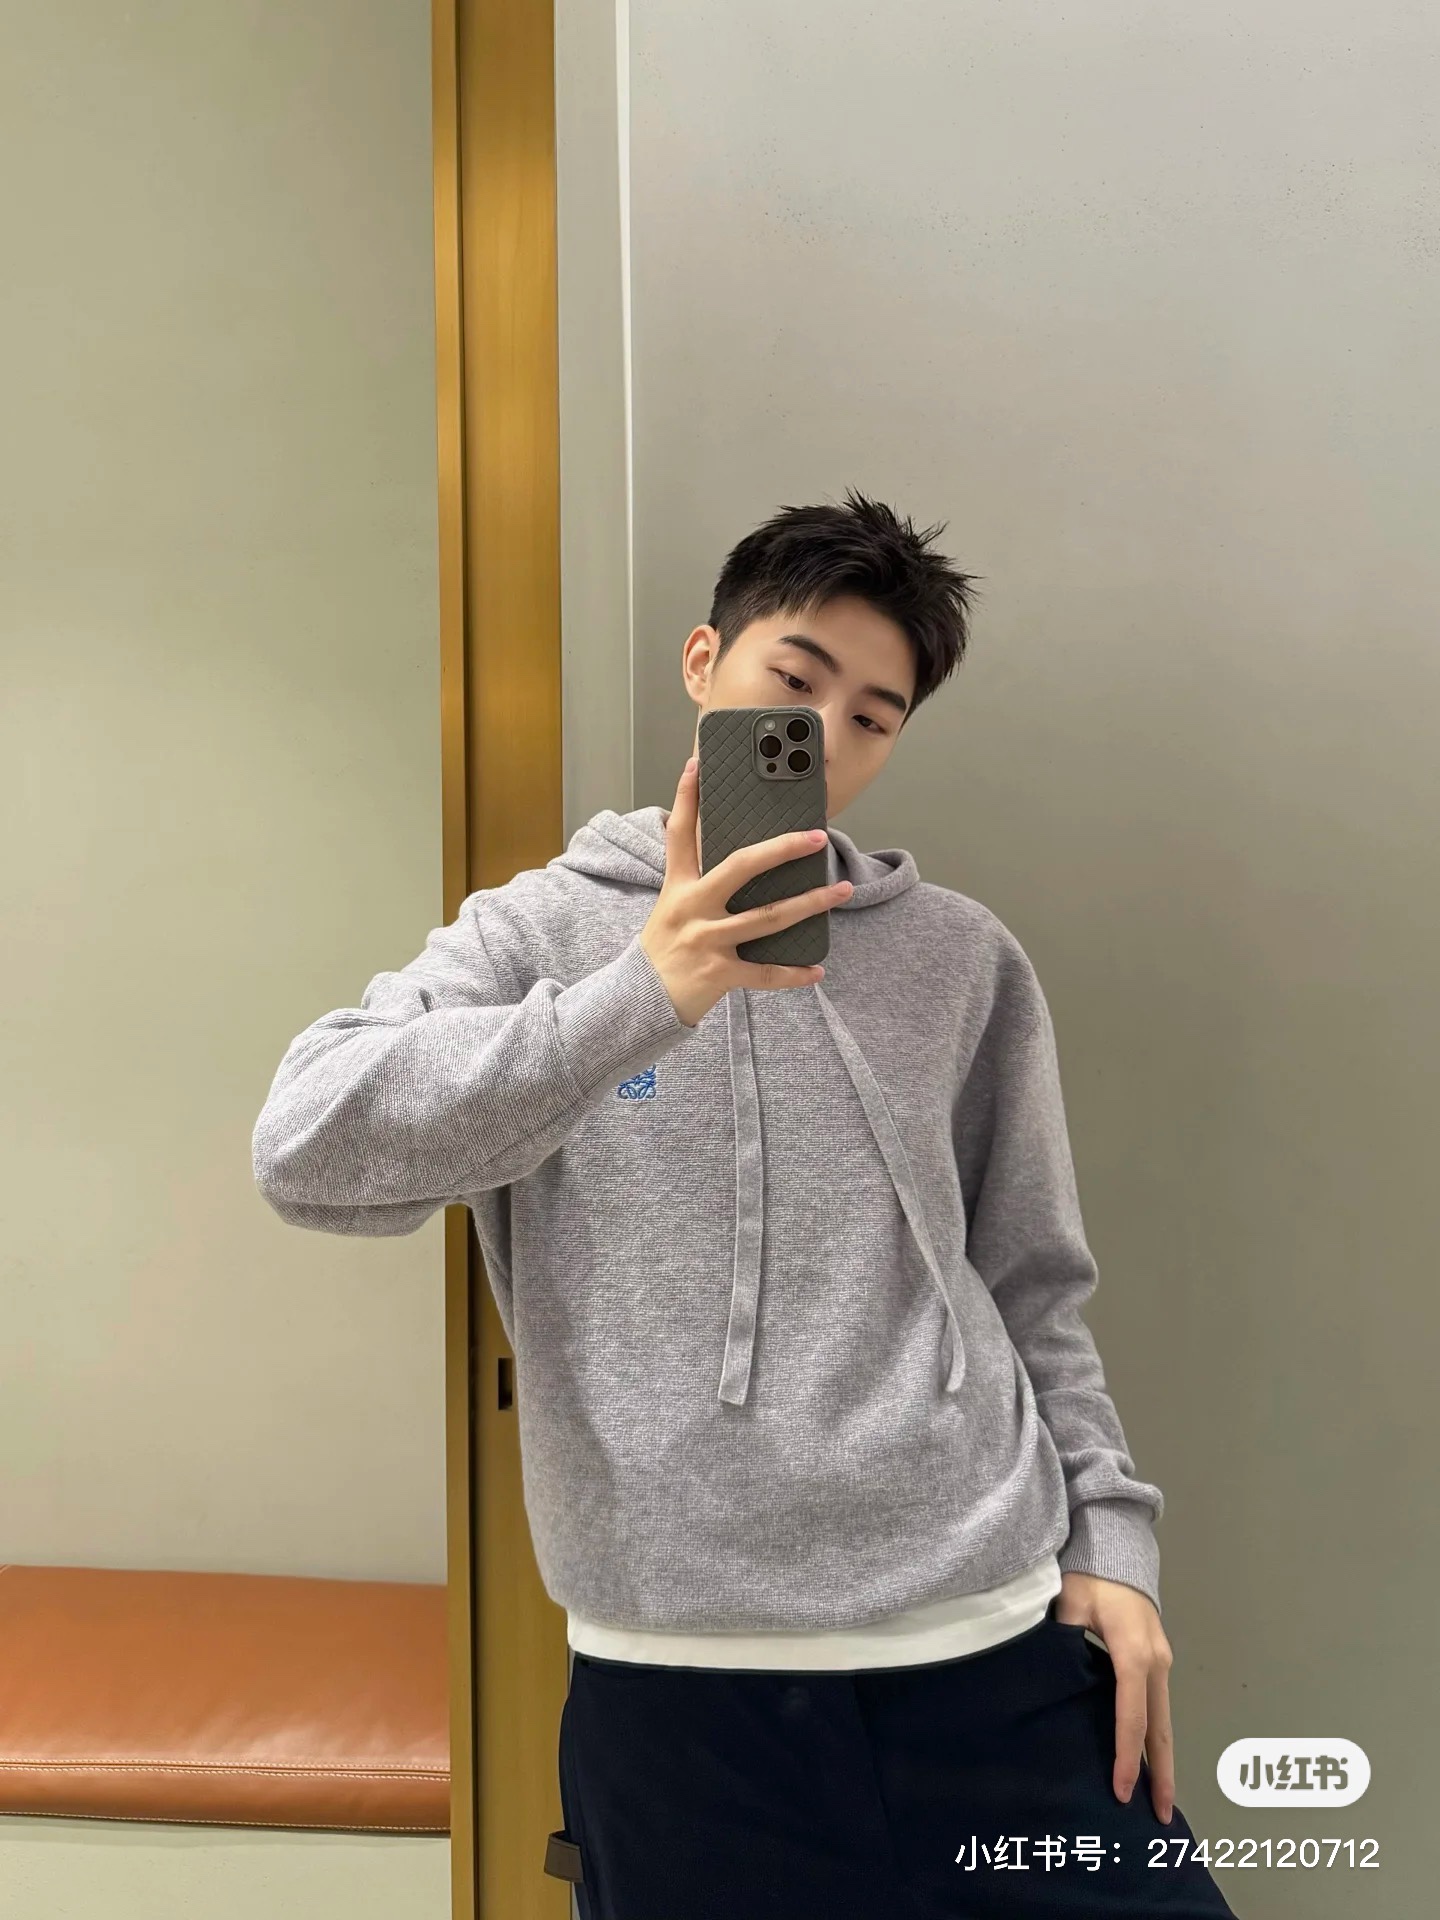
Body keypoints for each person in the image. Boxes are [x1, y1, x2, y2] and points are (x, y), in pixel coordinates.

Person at [253, 488, 1238, 1917]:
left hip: (996, 1651)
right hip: (682, 1699)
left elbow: (1032, 1284)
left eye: (873, 717)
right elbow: (307, 1148)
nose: (826, 738)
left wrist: (1116, 1547)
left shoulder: (960, 960)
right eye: (796, 682)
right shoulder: (540, 933)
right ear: (705, 662)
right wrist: (640, 998)